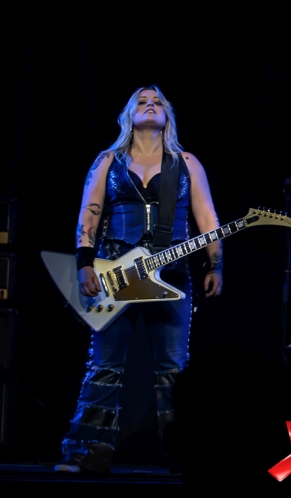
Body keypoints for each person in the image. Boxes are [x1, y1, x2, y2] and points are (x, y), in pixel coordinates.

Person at [56, 86, 223, 473]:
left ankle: (185, 455)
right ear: (129, 114)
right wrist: (84, 263)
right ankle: (88, 452)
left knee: (174, 369)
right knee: (104, 365)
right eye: (142, 101)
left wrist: (216, 265)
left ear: (167, 115)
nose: (150, 105)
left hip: (172, 274)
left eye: (157, 101)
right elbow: (89, 213)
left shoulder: (186, 163)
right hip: (115, 272)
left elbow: (207, 218)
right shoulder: (108, 160)